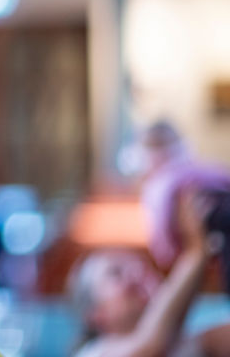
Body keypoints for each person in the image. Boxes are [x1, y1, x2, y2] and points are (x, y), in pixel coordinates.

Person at [68, 188, 230, 357]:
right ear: (96, 314)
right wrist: (196, 250)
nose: (136, 272)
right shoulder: (93, 353)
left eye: (136, 264)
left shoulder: (188, 344)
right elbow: (150, 347)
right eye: (116, 273)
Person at [138, 120, 230, 291]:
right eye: (154, 144)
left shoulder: (163, 184)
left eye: (163, 143)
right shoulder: (159, 185)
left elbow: (161, 232)